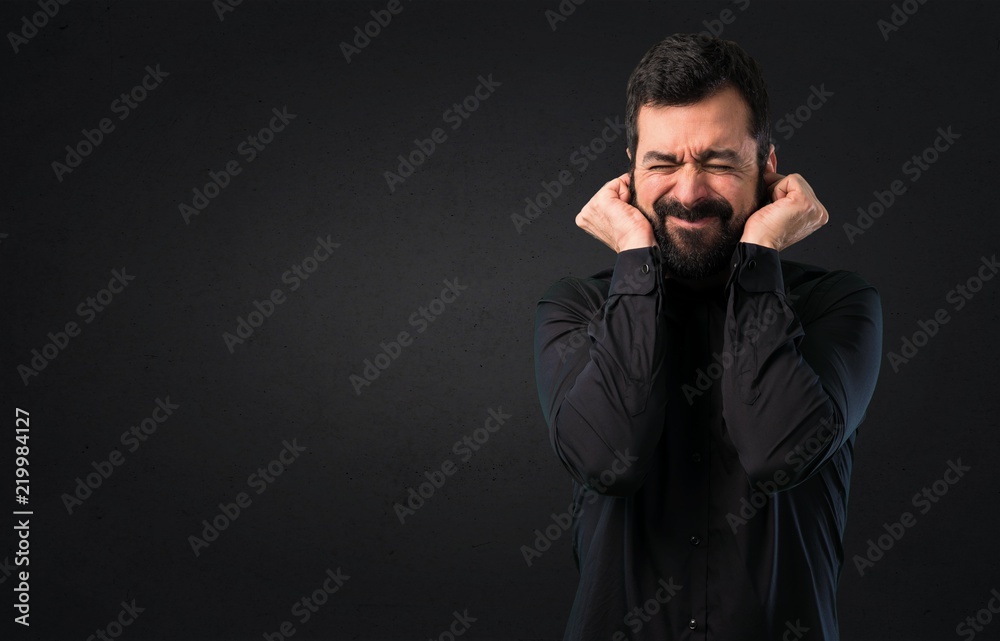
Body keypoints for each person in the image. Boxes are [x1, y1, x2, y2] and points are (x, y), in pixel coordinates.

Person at [532, 33, 882, 640]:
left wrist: (760, 250)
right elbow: (608, 461)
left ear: (768, 167)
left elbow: (779, 452)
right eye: (663, 164)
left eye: (719, 163)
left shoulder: (839, 306)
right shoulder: (576, 310)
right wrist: (635, 254)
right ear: (631, 172)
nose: (689, 192)